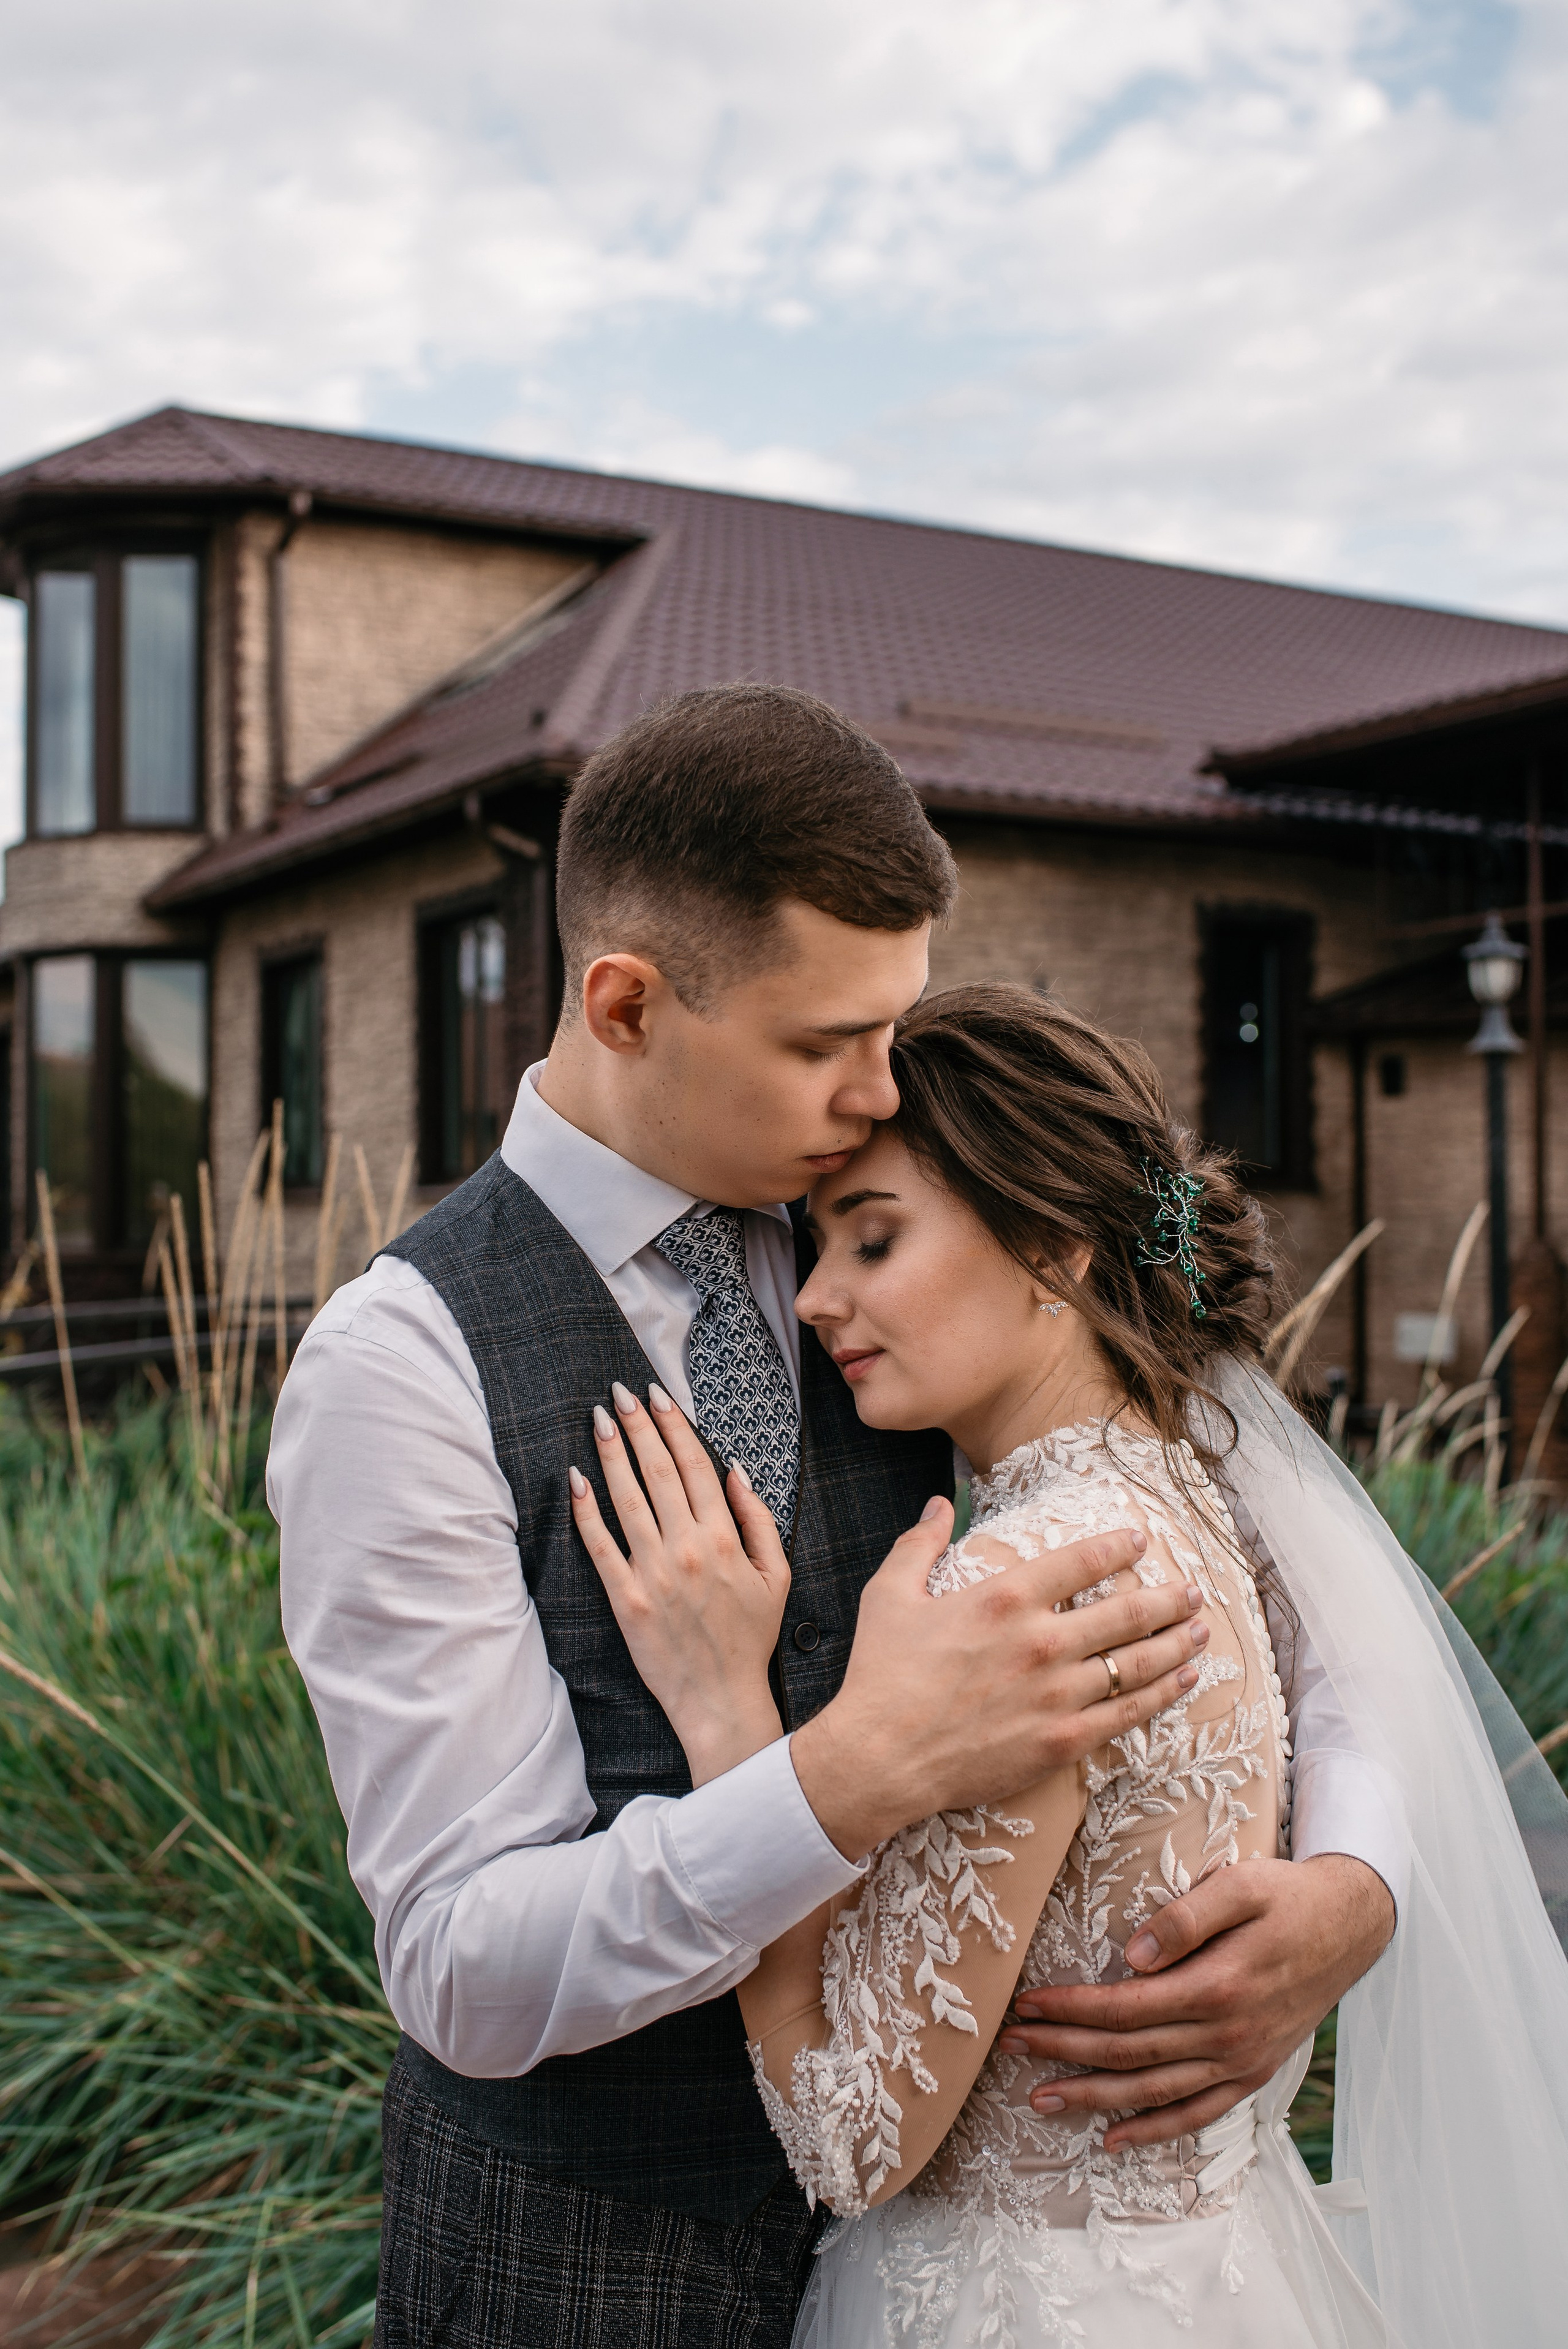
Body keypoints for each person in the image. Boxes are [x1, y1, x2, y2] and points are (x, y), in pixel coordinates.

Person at [272, 688, 1396, 2349]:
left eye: (897, 1025)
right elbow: (460, 1960)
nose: (883, 1092)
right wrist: (847, 1770)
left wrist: (1353, 1885)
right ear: (628, 1002)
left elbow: (1307, 1612)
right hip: (580, 2273)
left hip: (969, 2257)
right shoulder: (399, 1365)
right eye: (827, 1045)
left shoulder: (915, 1242)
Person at [571, 979, 1568, 2348]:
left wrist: (727, 1713)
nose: (812, 1297)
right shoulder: (1199, 1511)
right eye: (816, 1248)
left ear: (1052, 1245)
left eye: (871, 1240)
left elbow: (850, 2137)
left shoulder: (1019, 1590)